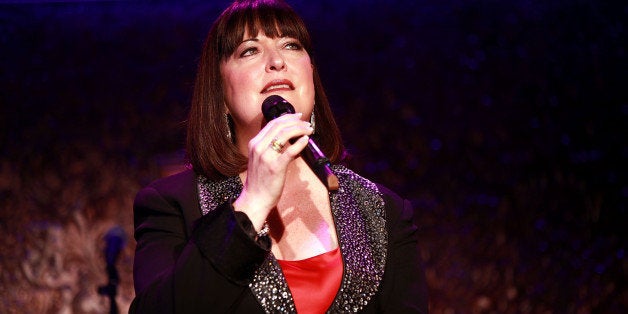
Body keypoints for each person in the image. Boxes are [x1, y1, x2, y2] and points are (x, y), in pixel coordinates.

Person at [130, 0, 428, 313]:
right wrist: (252, 202)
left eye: (291, 45)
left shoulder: (384, 209)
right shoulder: (171, 204)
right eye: (249, 50)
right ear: (220, 94)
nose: (276, 61)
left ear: (311, 76)